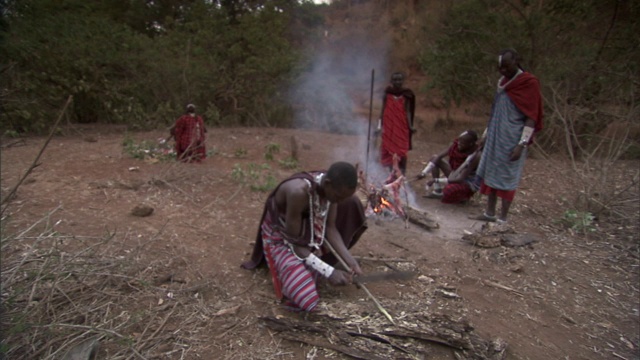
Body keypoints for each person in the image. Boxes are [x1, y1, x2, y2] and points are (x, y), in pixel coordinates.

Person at [241, 162, 368, 312]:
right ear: (327, 184)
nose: (339, 203)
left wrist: (352, 263)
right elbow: (295, 245)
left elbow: (330, 229)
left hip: (305, 231)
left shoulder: (331, 191)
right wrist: (328, 271)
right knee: (309, 301)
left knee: (353, 204)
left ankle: (305, 272)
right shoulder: (299, 193)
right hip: (283, 239)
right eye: (338, 197)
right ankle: (288, 275)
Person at [472, 49, 543, 223]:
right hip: (496, 136)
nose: (503, 71)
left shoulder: (528, 83)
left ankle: (503, 218)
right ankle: (489, 213)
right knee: (492, 173)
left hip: (512, 138)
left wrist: (522, 144)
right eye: (500, 68)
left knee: (508, 177)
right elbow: (495, 112)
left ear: (516, 62)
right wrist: (486, 135)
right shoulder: (502, 82)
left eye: (506, 67)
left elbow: (531, 117)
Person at [418, 130, 480, 204]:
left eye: (462, 143)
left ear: (471, 144)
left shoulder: (475, 156)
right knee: (434, 158)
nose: (459, 144)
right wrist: (424, 173)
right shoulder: (456, 145)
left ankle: (463, 196)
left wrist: (436, 180)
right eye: (459, 141)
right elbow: (438, 157)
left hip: (466, 182)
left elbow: (460, 179)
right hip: (455, 174)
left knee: (448, 191)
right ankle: (437, 191)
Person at [376, 72, 416, 175]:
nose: (397, 82)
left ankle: (402, 173)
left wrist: (410, 126)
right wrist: (379, 125)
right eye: (395, 80)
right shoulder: (387, 93)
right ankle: (391, 173)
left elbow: (408, 111)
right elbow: (383, 109)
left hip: (401, 125)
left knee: (402, 150)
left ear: (403, 81)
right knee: (389, 150)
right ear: (391, 81)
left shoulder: (407, 94)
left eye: (400, 80)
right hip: (389, 125)